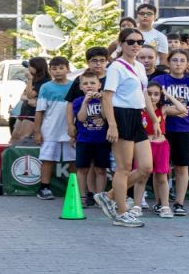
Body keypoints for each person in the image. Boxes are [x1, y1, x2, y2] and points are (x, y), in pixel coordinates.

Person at [95, 27, 159, 228]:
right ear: (121, 44)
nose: (135, 45)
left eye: (139, 42)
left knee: (146, 167)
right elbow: (107, 97)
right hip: (121, 115)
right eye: (131, 42)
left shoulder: (139, 66)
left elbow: (144, 94)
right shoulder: (116, 67)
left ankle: (109, 196)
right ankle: (121, 213)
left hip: (137, 116)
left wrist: (154, 119)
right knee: (123, 168)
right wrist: (112, 125)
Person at [151, 50, 189, 216]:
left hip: (184, 129)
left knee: (181, 168)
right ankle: (160, 203)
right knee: (160, 169)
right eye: (175, 60)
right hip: (162, 129)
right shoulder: (160, 80)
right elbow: (152, 101)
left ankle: (179, 203)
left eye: (182, 61)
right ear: (169, 63)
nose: (178, 63)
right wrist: (169, 110)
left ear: (187, 64)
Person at [32, 56, 74, 200]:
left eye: (61, 68)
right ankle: (44, 187)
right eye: (54, 69)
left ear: (68, 69)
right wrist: (37, 132)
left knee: (73, 160)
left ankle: (74, 189)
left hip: (70, 131)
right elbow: (39, 111)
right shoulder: (46, 87)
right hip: (50, 130)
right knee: (48, 159)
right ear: (50, 70)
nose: (58, 71)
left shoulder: (74, 86)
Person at [69, 70, 109, 208]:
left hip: (101, 140)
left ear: (99, 85)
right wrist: (86, 102)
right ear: (81, 87)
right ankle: (82, 196)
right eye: (85, 83)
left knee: (100, 169)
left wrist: (102, 100)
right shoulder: (78, 101)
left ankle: (100, 197)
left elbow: (105, 116)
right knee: (82, 169)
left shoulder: (105, 99)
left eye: (92, 83)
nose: (89, 86)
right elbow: (81, 118)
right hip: (84, 140)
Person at [143, 81, 177, 219]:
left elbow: (182, 109)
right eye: (149, 94)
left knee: (162, 177)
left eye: (156, 94)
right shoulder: (139, 109)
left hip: (161, 145)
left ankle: (165, 206)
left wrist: (168, 95)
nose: (152, 97)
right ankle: (138, 204)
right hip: (144, 145)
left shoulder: (163, 109)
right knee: (142, 176)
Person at [11, 56, 48, 143]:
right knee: (15, 136)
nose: (28, 68)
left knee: (23, 137)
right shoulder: (34, 79)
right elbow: (22, 96)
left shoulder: (44, 81)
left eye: (30, 66)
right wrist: (28, 99)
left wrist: (29, 79)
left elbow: (30, 95)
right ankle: (12, 150)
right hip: (24, 111)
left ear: (37, 67)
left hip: (33, 113)